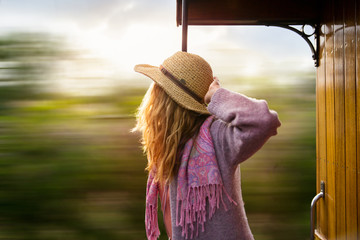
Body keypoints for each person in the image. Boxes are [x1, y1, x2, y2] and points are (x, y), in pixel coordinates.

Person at [133, 51, 281, 240]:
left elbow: (264, 121)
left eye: (157, 88)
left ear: (163, 99)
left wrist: (217, 96)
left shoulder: (216, 137)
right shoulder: (166, 145)